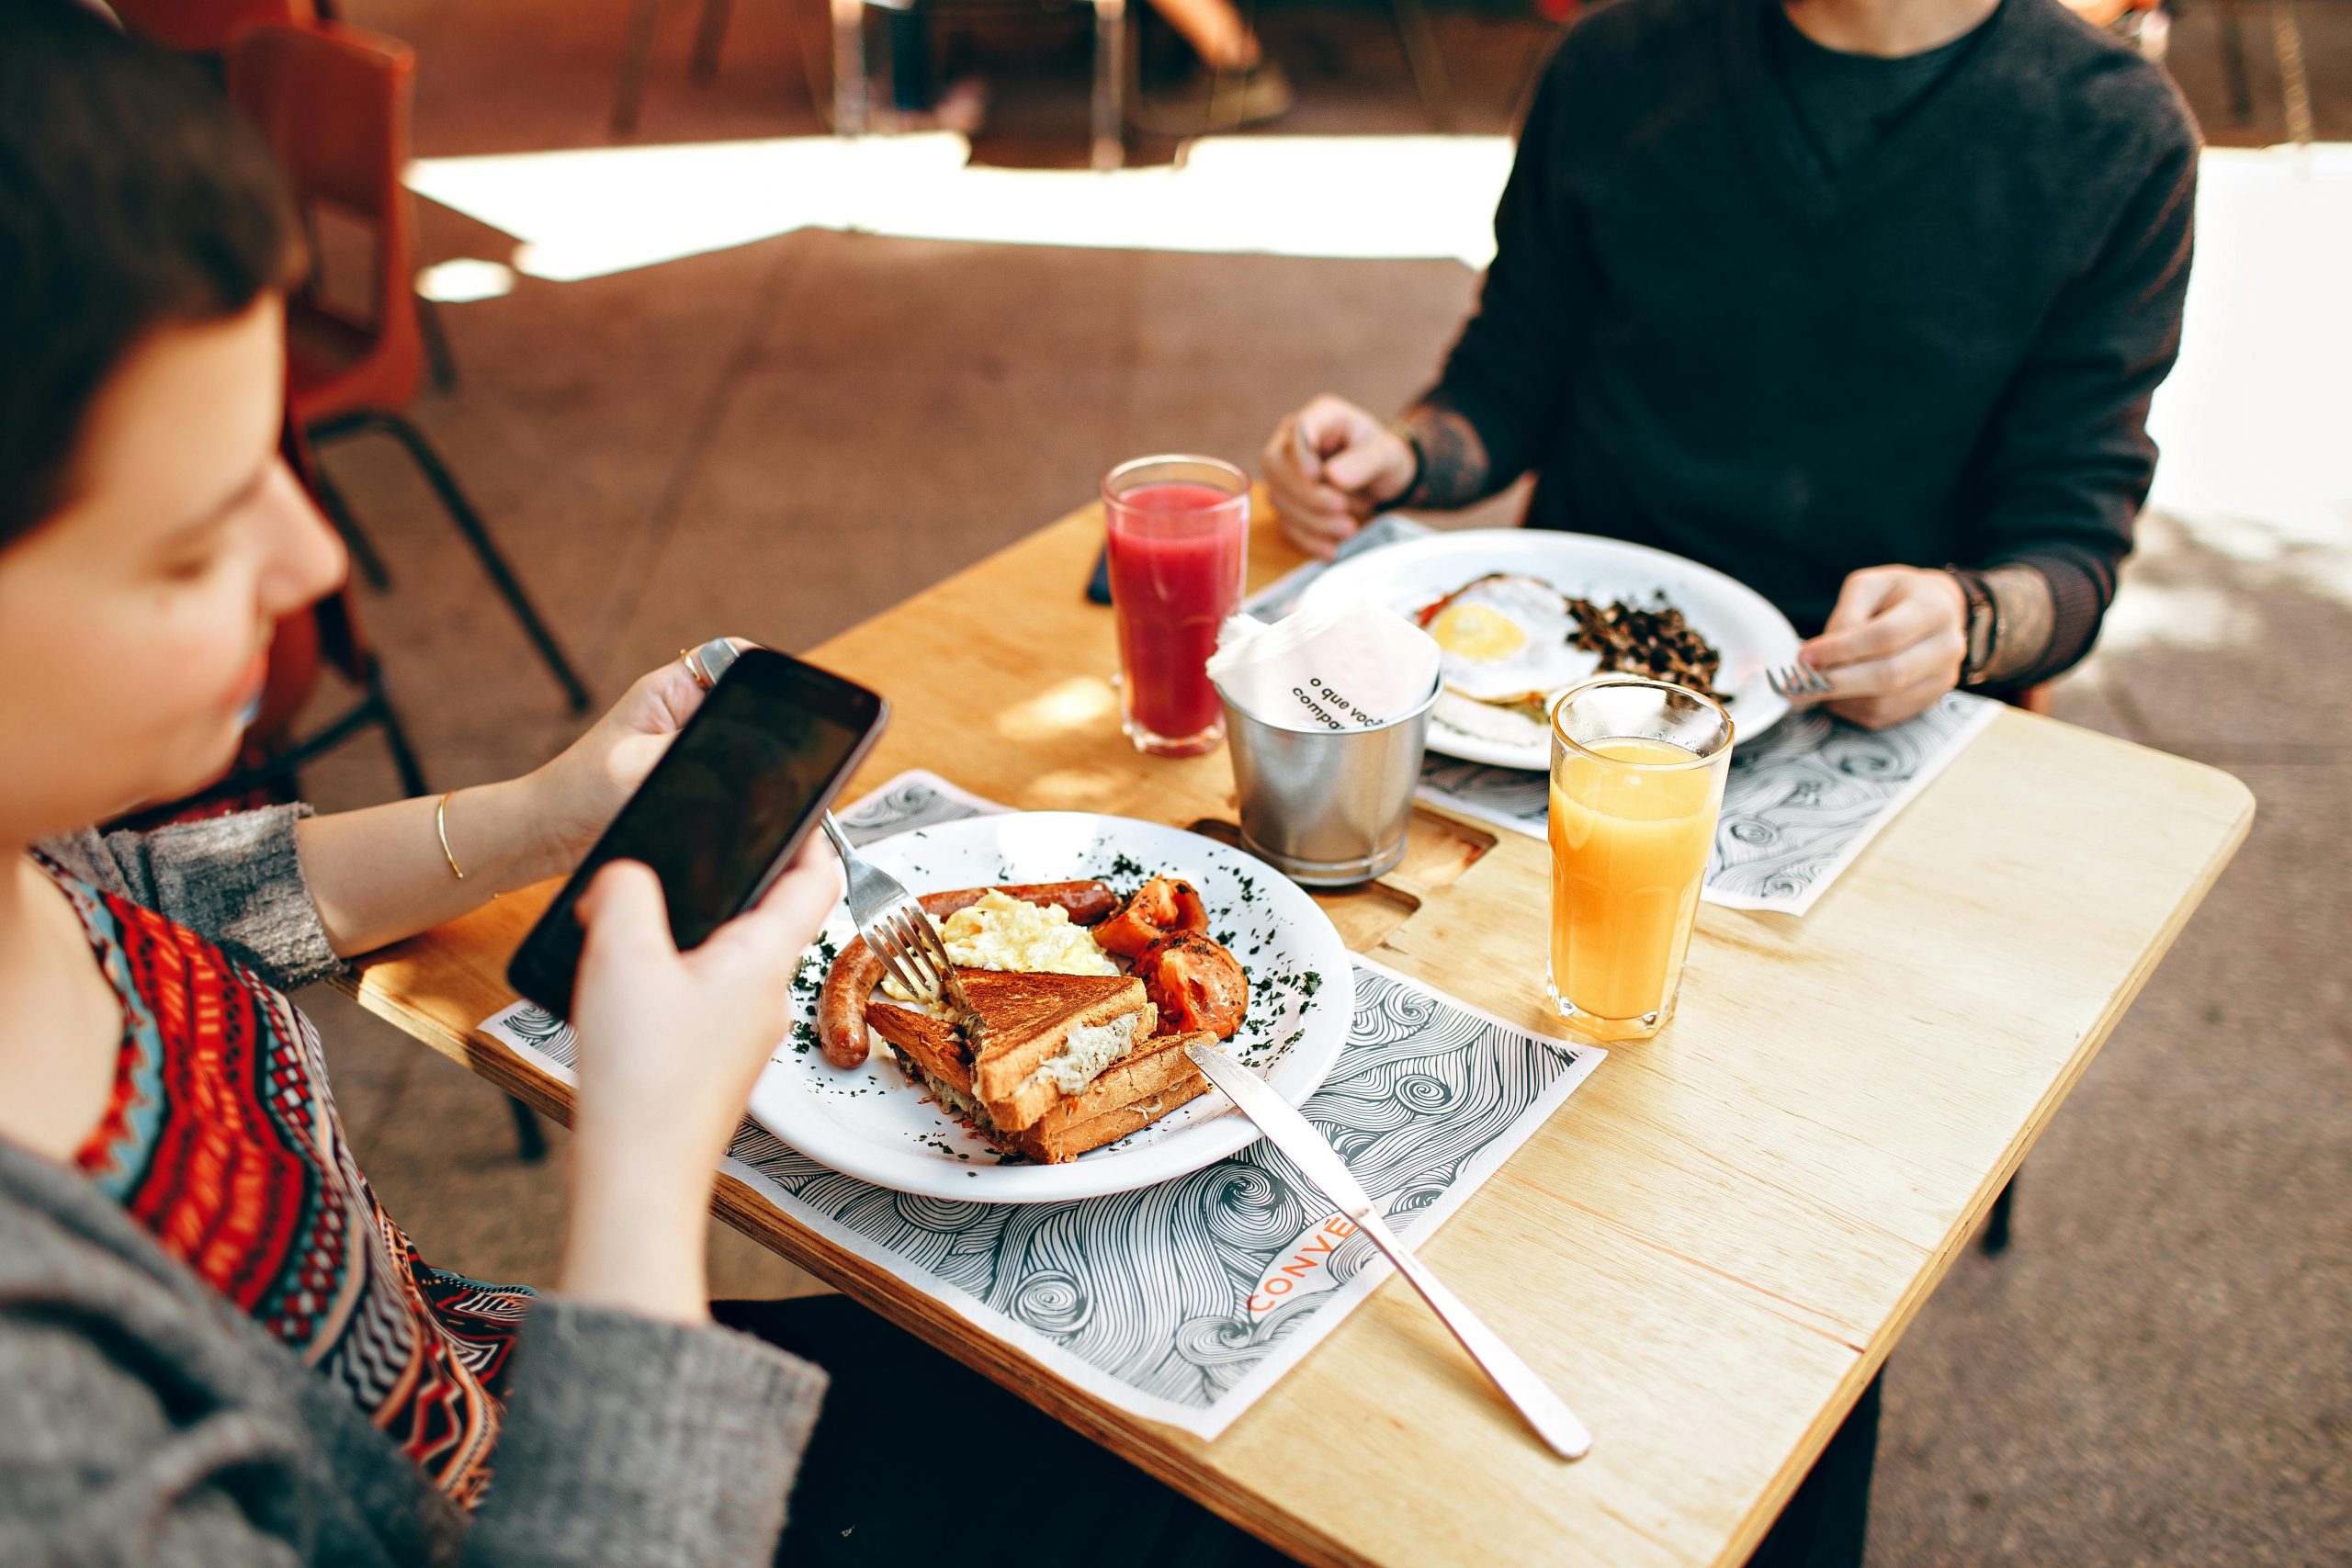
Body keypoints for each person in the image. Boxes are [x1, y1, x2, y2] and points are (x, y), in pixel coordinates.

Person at [0, 11, 1296, 1563]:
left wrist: (553, 811)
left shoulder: (31, 860)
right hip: (595, 1489)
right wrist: (641, 1163)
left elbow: (156, 897)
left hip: (510, 1373)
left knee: (1194, 1413)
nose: (317, 559)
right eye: (193, 542)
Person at [1262, 0, 2197, 730]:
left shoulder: (2116, 132)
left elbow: (2071, 549)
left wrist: (1967, 621)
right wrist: (1405, 455)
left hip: (1858, 704)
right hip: (1560, 677)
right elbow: (1507, 379)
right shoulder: (1612, 61)